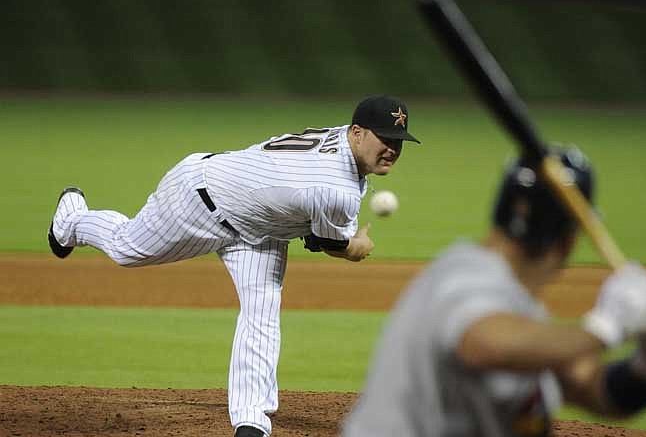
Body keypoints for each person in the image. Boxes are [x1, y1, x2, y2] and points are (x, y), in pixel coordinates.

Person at [47, 95, 421, 437]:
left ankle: (251, 421)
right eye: (385, 137)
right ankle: (71, 220)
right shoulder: (335, 189)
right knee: (126, 248)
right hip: (199, 199)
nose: (392, 148)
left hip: (260, 228)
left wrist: (316, 227)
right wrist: (359, 247)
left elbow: (306, 208)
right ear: (356, 132)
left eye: (399, 141)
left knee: (262, 311)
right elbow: (334, 246)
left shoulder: (343, 147)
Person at [342, 146, 646, 437]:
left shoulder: (517, 312)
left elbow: (598, 392)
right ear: (570, 239)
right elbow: (483, 344)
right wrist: (606, 327)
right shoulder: (464, 276)